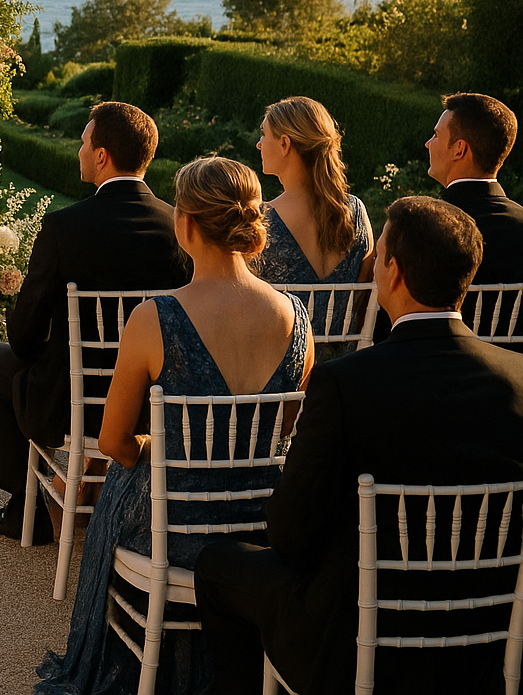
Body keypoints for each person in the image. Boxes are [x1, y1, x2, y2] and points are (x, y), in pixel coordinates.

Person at [194, 196, 523, 695]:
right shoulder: (519, 379)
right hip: (486, 645)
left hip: (353, 646)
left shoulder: (346, 383)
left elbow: (289, 533)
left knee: (215, 565)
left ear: (394, 271)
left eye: (378, 256)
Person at [34, 157, 311, 694]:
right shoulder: (296, 315)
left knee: (119, 479)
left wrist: (157, 444)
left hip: (173, 530)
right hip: (257, 529)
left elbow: (113, 442)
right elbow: (284, 434)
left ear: (184, 224)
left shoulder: (153, 317)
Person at [0, 101, 191, 542]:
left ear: (103, 155)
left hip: (76, 402)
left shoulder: (62, 228)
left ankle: (24, 505)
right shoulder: (179, 227)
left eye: (84, 143)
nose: (79, 152)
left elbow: (26, 336)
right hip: (154, 401)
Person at [252, 96, 374, 348]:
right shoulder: (356, 211)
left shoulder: (261, 221)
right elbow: (363, 301)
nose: (258, 144)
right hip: (344, 366)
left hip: (280, 376)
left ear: (285, 144)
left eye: (264, 134)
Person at [427, 92, 523, 345]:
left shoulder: (423, 227)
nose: (428, 143)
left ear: (459, 149)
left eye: (436, 135)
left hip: (441, 371)